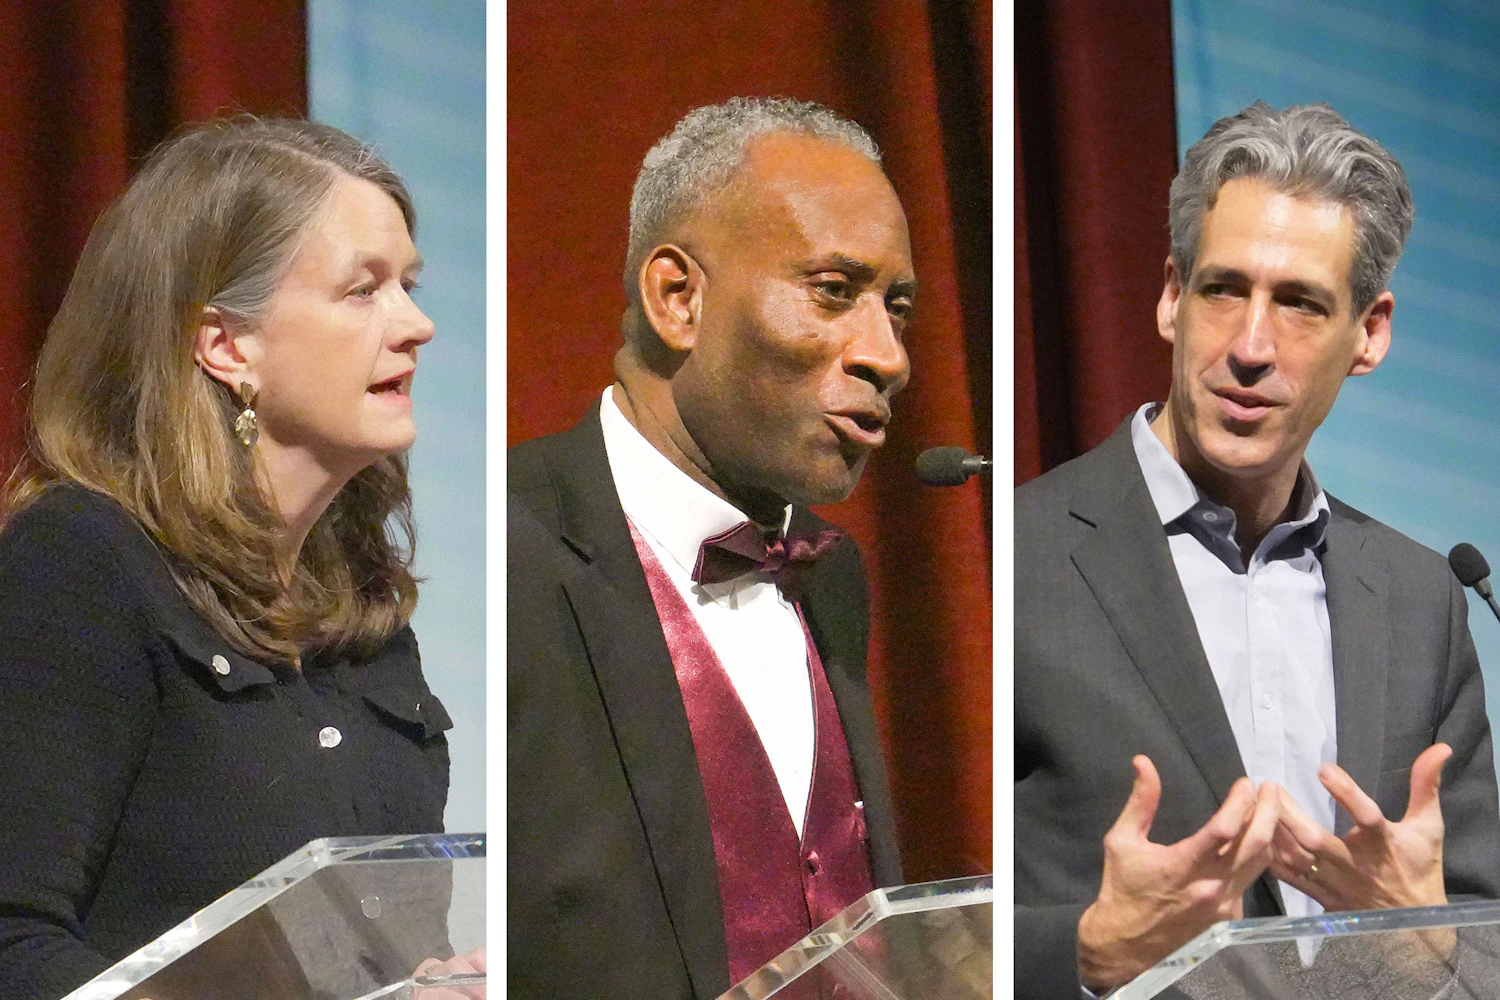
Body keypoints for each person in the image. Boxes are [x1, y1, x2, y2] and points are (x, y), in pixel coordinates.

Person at [1015, 101, 1500, 999]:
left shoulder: (1420, 596)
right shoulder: (1020, 560)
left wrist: (1425, 953)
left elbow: (1481, 933)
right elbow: (937, 928)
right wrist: (1087, 953)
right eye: (1224, 288)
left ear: (1371, 333)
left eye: (1302, 305)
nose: (1249, 347)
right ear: (1170, 295)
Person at [0, 118, 458, 999]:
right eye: (364, 291)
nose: (419, 325)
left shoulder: (363, 616)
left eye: (410, 284)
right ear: (225, 345)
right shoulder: (81, 568)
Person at [508, 97, 912, 998]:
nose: (887, 354)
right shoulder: (508, 552)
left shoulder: (831, 576)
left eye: (898, 306)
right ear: (677, 298)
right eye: (835, 291)